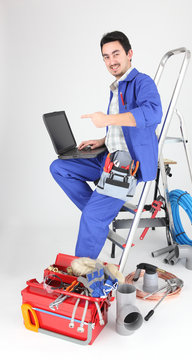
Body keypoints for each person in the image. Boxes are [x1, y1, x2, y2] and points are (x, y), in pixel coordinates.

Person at [50, 31, 162, 259]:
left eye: (116, 54)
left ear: (129, 54)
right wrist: (102, 139)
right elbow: (122, 128)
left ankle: (86, 276)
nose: (111, 61)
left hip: (126, 166)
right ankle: (101, 213)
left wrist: (107, 120)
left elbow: (153, 113)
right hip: (108, 156)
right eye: (106, 57)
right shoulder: (116, 87)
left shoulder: (142, 82)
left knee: (92, 216)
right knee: (59, 167)